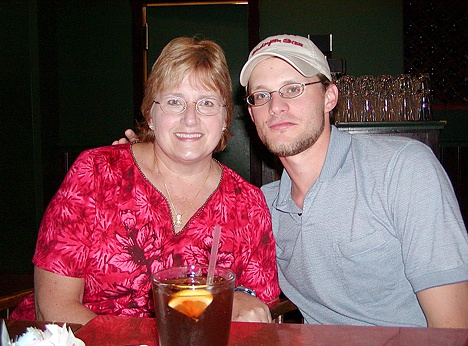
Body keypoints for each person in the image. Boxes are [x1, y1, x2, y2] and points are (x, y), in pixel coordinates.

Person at [11, 37, 280, 325]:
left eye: (206, 103)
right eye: (174, 102)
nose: (190, 118)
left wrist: (237, 297)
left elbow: (257, 309)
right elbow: (53, 308)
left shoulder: (248, 205)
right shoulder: (96, 173)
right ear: (150, 114)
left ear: (226, 117)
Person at [239, 34, 468, 327]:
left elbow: (452, 331)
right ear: (251, 113)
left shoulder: (402, 169)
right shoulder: (263, 206)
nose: (276, 106)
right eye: (262, 95)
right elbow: (231, 276)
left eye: (293, 89)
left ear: (329, 97)